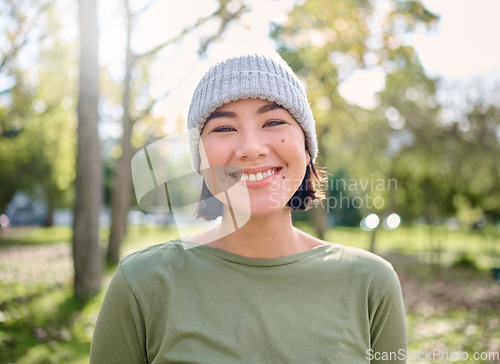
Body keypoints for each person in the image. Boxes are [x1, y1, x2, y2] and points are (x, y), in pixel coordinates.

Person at [90, 50, 407, 363]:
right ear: (200, 160)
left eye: (273, 122)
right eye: (224, 128)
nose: (251, 149)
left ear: (307, 148)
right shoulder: (141, 284)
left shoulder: (372, 285)